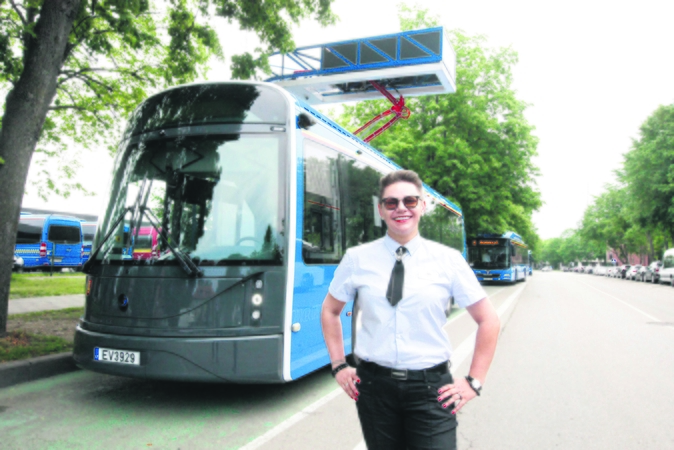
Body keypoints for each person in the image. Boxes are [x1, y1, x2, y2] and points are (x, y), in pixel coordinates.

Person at [321, 170, 500, 450]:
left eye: (410, 201)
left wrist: (474, 381)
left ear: (422, 206)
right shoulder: (357, 259)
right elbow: (330, 311)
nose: (401, 208)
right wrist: (338, 365)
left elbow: (488, 319)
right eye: (391, 203)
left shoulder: (448, 261)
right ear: (380, 210)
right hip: (374, 388)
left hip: (431, 389)